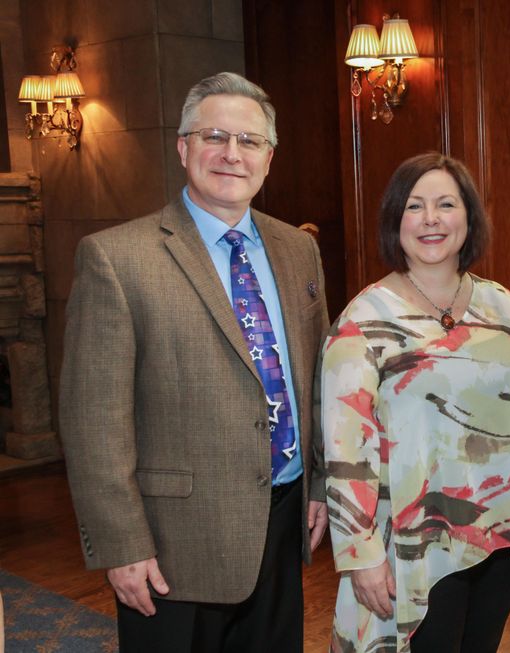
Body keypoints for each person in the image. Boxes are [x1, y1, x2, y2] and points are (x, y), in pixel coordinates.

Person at [59, 72, 329, 652]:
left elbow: (313, 381)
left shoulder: (297, 248)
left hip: (283, 522)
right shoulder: (116, 258)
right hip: (173, 545)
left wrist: (318, 486)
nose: (232, 154)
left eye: (250, 141)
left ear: (269, 157)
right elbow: (93, 421)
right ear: (183, 148)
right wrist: (121, 544)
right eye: (214, 136)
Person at [320, 153, 510, 653]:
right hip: (413, 547)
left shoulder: (500, 304)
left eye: (446, 204)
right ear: (395, 220)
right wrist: (361, 556)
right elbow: (344, 448)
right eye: (415, 206)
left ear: (469, 217)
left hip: (501, 536)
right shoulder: (363, 319)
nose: (432, 219)